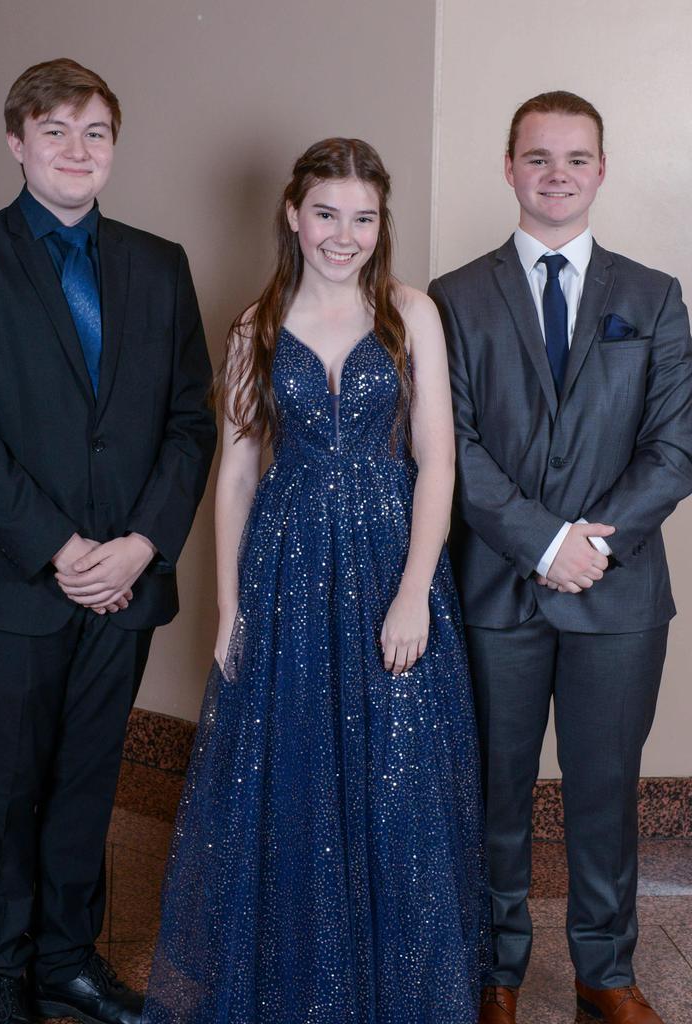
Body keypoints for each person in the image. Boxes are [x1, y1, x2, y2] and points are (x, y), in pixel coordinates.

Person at [143, 137, 490, 1023]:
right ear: (294, 215)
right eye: (327, 214)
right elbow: (236, 472)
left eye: (363, 218)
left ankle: (397, 993)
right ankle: (299, 989)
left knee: (397, 776)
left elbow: (438, 463)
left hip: (386, 563)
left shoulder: (411, 313)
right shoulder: (255, 326)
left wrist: (415, 590)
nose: (345, 235)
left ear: (382, 224)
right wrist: (229, 604)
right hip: (287, 564)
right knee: (290, 773)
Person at [0, 58, 216, 1024]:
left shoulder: (157, 262)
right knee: (6, 786)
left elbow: (190, 422)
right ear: (17, 143)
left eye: (95, 133)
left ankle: (68, 960)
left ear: (114, 147)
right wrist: (60, 548)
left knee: (92, 777)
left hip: (128, 582)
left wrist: (140, 545)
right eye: (56, 131)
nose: (77, 150)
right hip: (14, 578)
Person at [429, 91, 692, 1024]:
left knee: (605, 794)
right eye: (539, 158)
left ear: (602, 171)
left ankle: (605, 974)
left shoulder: (654, 298)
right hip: (496, 591)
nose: (557, 176)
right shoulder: (453, 299)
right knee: (491, 792)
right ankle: (494, 972)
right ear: (508, 168)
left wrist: (589, 544)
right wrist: (541, 541)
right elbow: (449, 445)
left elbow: (675, 449)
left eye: (576, 159)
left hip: (617, 599)